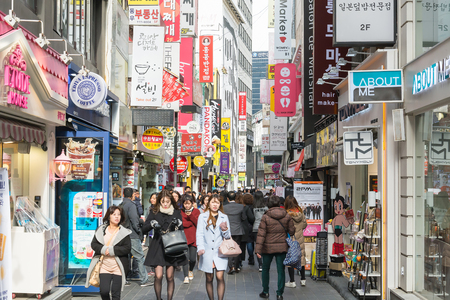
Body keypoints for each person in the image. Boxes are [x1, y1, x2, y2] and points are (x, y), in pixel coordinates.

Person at [143, 190, 188, 300]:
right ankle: (159, 298)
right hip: (158, 244)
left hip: (171, 245)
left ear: (171, 201)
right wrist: (152, 224)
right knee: (158, 276)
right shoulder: (154, 211)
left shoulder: (176, 212)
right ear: (159, 202)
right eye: (163, 202)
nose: (165, 204)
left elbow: (181, 230)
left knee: (170, 276)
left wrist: (178, 223)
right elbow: (144, 228)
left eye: (167, 202)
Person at [85, 205, 132, 300]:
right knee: (104, 291)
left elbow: (127, 248)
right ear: (109, 216)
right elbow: (94, 244)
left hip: (118, 266)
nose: (117, 216)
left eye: (119, 214)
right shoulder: (101, 230)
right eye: (114, 214)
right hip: (104, 266)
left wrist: (111, 251)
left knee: (115, 294)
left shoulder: (124, 232)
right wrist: (103, 249)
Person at [256, 195, 295, 300]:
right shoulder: (286, 215)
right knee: (281, 270)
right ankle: (279, 294)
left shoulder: (265, 216)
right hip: (282, 247)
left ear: (268, 204)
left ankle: (265, 292)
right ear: (279, 204)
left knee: (265, 269)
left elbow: (261, 234)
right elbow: (292, 231)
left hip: (267, 247)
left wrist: (258, 250)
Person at [196, 195, 231, 300]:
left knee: (220, 277)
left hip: (220, 251)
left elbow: (228, 236)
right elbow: (199, 234)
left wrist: (225, 230)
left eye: (217, 202)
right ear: (208, 204)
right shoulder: (202, 216)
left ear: (220, 204)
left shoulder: (224, 217)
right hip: (207, 251)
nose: (215, 205)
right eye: (213, 202)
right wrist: (200, 247)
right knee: (209, 278)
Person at [120, 188, 152, 286]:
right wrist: (139, 230)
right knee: (139, 257)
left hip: (122, 234)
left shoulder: (121, 205)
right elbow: (134, 220)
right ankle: (144, 280)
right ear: (132, 195)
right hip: (132, 234)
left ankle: (124, 278)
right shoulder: (131, 205)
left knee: (125, 257)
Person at [284, 196, 307, 287]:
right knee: (301, 257)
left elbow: (285, 227)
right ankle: (303, 279)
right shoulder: (301, 212)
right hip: (300, 237)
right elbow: (305, 224)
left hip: (291, 238)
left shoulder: (286, 214)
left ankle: (292, 281)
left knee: (291, 258)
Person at [223, 191, 247, 274]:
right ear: (235, 198)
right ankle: (236, 266)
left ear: (227, 198)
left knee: (229, 248)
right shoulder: (241, 207)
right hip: (238, 230)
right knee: (237, 248)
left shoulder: (224, 207)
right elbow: (244, 218)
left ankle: (231, 267)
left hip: (228, 230)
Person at [180, 194, 200, 283]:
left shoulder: (196, 212)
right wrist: (190, 223)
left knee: (192, 259)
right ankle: (185, 276)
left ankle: (190, 270)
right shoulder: (180, 212)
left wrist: (190, 216)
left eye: (188, 203)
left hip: (194, 238)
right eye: (185, 204)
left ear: (192, 203)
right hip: (183, 238)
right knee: (185, 257)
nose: (187, 206)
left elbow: (198, 223)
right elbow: (182, 224)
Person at [253, 191, 268, 271]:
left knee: (258, 246)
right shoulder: (266, 208)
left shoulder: (253, 207)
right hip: (265, 228)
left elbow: (252, 218)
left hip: (255, 228)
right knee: (264, 246)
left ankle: (260, 264)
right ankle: (265, 263)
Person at [240, 194, 255, 268]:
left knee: (242, 243)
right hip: (250, 227)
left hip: (244, 227)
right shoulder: (253, 207)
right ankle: (251, 257)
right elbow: (252, 218)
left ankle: (240, 260)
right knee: (249, 242)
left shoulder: (242, 207)